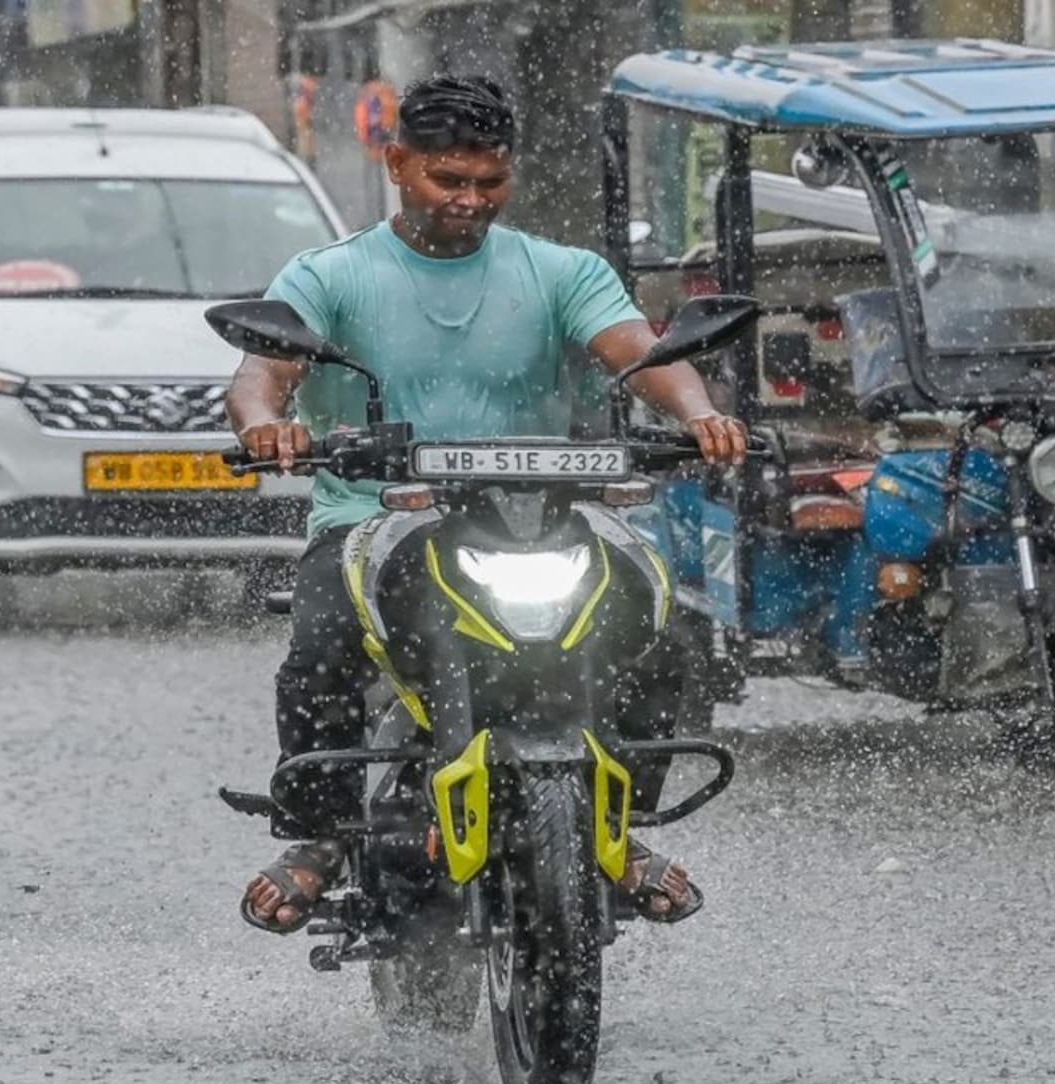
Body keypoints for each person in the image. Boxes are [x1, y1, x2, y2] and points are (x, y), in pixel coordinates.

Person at [230, 76, 748, 935]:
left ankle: (619, 832)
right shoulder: (329, 274)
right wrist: (266, 427)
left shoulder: (562, 272)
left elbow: (644, 352)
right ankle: (320, 833)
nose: (471, 201)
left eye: (489, 182)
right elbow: (260, 377)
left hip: (540, 515)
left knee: (661, 635)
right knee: (323, 639)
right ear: (397, 164)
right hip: (373, 519)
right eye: (448, 179)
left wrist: (700, 414)